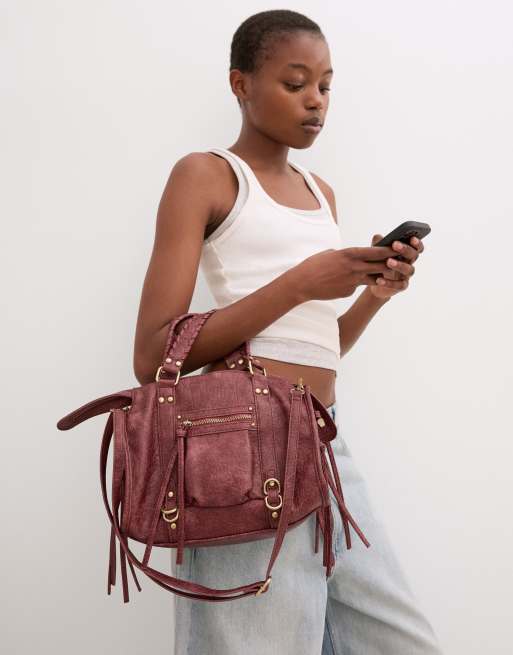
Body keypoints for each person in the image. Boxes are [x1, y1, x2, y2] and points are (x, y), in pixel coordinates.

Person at [133, 9, 445, 655]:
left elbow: (316, 347)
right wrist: (302, 282)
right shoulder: (206, 174)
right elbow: (155, 351)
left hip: (325, 438)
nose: (315, 101)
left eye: (325, 86)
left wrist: (373, 294)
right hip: (242, 442)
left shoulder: (319, 192)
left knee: (397, 638)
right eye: (295, 82)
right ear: (240, 83)